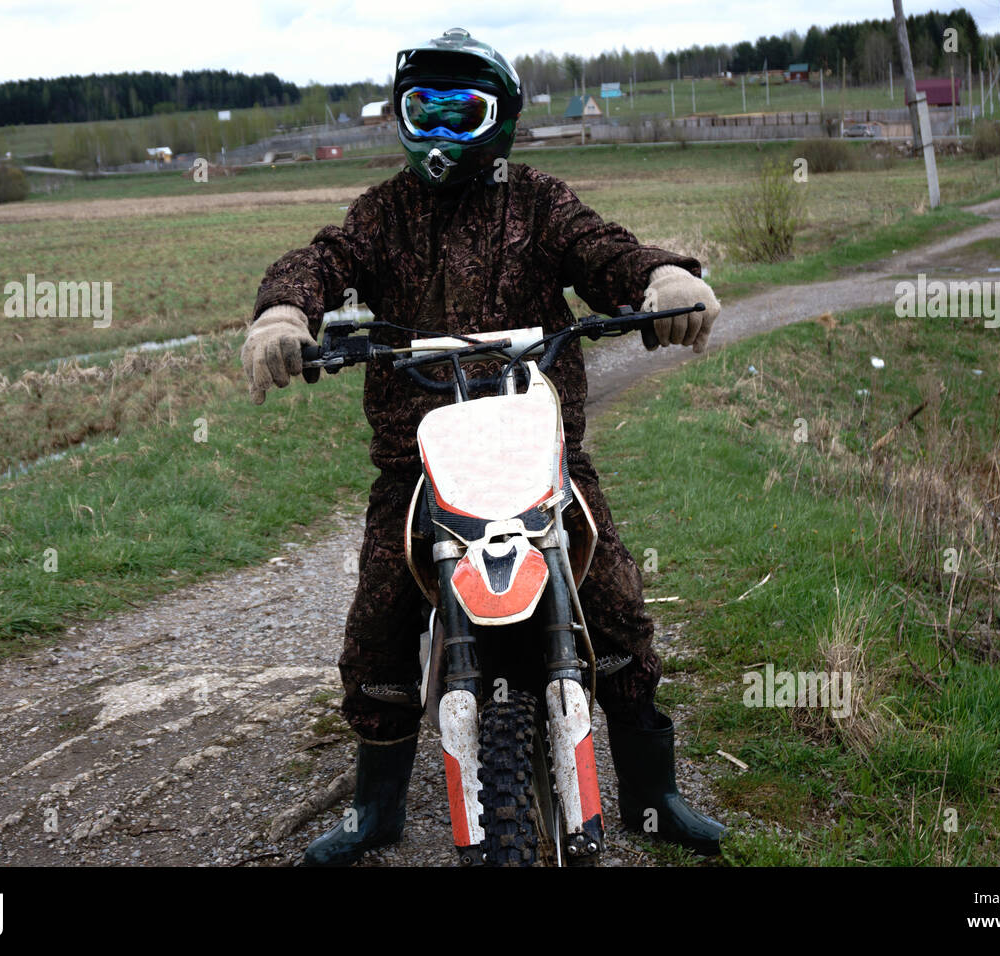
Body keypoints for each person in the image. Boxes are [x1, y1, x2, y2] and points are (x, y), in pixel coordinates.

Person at [243, 27, 726, 866]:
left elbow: (601, 249)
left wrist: (661, 277)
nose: (436, 133)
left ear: (498, 121)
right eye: (420, 111)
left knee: (613, 601)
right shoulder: (381, 214)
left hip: (540, 453)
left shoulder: (538, 202)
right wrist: (285, 311)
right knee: (377, 628)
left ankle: (654, 794)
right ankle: (377, 810)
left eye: (459, 113)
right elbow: (324, 259)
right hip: (418, 462)